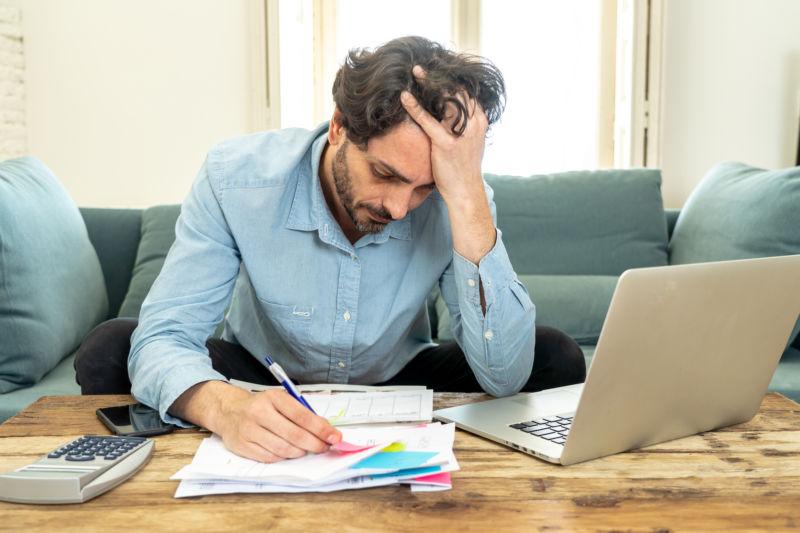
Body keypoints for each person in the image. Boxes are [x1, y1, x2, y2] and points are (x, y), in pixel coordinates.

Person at [75, 36, 586, 464]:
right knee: (111, 349)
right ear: (340, 126)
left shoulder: (459, 198)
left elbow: (506, 375)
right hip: (260, 372)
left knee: (556, 357)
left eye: (423, 189)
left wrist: (467, 197)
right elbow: (166, 334)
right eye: (386, 174)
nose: (401, 208)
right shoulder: (237, 178)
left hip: (393, 377)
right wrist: (223, 407)